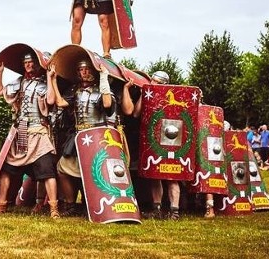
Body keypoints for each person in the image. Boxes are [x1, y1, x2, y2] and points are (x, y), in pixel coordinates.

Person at [47, 59, 125, 216]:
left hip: (98, 138)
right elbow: (60, 102)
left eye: (88, 69)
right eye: (81, 69)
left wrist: (104, 78)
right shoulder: (74, 91)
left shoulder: (102, 90)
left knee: (97, 172)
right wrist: (53, 80)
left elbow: (108, 104)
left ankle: (93, 203)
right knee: (63, 169)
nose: (85, 72)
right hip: (78, 137)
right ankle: (70, 205)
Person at [0, 53, 60, 218]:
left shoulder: (45, 83)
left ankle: (53, 209)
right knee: (7, 169)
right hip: (21, 130)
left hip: (39, 131)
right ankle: (1, 205)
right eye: (25, 62)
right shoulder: (20, 82)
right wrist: (0, 72)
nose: (28, 65)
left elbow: (50, 101)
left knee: (47, 171)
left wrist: (50, 78)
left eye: (31, 62)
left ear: (38, 64)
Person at [134, 70, 183, 220]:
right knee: (155, 175)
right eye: (152, 81)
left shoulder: (175, 95)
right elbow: (136, 113)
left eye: (157, 82)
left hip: (172, 140)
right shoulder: (148, 96)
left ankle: (174, 211)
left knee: (171, 177)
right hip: (154, 139)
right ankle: (157, 210)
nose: (153, 84)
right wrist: (143, 94)